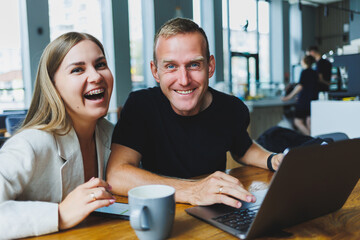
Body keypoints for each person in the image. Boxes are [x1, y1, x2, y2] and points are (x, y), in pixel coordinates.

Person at [107, 18, 284, 209]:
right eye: (170, 66)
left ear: (210, 66)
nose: (183, 80)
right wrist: (192, 190)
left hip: (214, 208)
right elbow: (117, 174)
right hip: (162, 210)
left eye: (193, 65)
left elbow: (243, 148)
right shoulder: (141, 106)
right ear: (155, 71)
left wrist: (272, 159)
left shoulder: (231, 108)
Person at [0, 32, 115, 239]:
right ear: (54, 87)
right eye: (78, 69)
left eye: (100, 65)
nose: (96, 76)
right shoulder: (28, 145)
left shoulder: (111, 134)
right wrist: (60, 214)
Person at [282, 55, 319, 135]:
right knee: (309, 122)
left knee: (297, 121)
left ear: (305, 61)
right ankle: (314, 142)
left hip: (304, 101)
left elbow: (300, 86)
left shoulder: (304, 72)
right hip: (313, 100)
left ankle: (310, 139)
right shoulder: (315, 72)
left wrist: (288, 97)